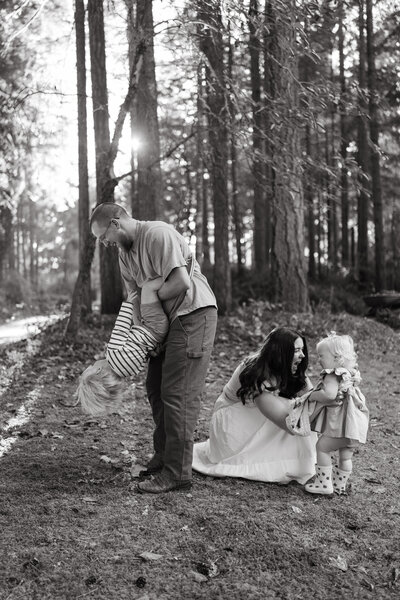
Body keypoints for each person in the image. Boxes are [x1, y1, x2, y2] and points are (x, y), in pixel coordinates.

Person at [90, 202, 217, 494]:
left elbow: (181, 282)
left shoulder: (158, 234)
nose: (105, 243)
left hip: (193, 314)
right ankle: (164, 456)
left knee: (177, 392)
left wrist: (151, 295)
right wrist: (142, 326)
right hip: (161, 323)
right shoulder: (125, 256)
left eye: (103, 236)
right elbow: (134, 296)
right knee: (155, 387)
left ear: (116, 223)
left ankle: (177, 474)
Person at [193, 327, 327, 484]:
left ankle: (298, 461)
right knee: (296, 411)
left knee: (300, 407)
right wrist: (321, 399)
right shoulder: (257, 374)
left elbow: (310, 398)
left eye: (302, 349)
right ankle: (288, 463)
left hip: (253, 416)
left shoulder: (291, 367)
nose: (302, 355)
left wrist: (327, 397)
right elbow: (289, 423)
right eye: (297, 350)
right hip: (232, 427)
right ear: (281, 353)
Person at [76, 277, 168, 416]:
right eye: (92, 366)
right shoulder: (113, 353)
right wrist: (128, 303)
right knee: (148, 288)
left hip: (157, 335)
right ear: (99, 370)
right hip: (154, 324)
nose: (94, 363)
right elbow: (121, 328)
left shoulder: (128, 372)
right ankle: (173, 278)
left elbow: (142, 352)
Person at [304, 332, 369, 496]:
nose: (319, 359)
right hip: (354, 426)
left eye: (321, 356)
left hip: (340, 425)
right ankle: (339, 485)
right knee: (345, 456)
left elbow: (329, 395)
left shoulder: (332, 374)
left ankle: (323, 484)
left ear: (337, 358)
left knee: (322, 447)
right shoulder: (351, 373)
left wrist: (313, 395)